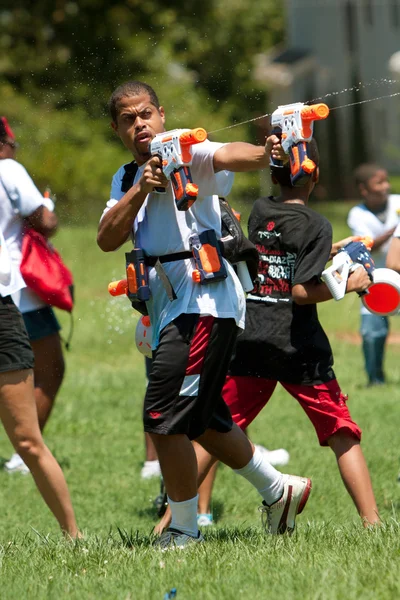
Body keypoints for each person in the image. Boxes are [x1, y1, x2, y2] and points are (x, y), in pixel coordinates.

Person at [98, 80, 312, 549]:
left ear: (161, 113)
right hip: (165, 305)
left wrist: (266, 151)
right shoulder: (123, 177)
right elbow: (106, 238)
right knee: (203, 419)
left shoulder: (186, 151)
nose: (141, 125)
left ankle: (182, 528)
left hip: (203, 301)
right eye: (129, 119)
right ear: (116, 128)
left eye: (147, 114)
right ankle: (280, 490)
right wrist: (140, 188)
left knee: (162, 414)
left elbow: (230, 154)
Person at [155, 137, 380, 535]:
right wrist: (351, 280)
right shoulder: (318, 224)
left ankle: (174, 523)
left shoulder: (261, 211)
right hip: (298, 346)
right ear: (315, 178)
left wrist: (331, 252)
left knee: (215, 430)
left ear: (274, 174)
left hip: (251, 339)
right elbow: (299, 289)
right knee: (341, 430)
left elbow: (278, 259)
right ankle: (372, 523)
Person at [0, 223, 79, 537]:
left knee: (28, 442)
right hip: (14, 308)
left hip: (4, 310)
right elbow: (46, 219)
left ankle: (73, 536)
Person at [0, 116, 67, 474]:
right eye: (12, 144)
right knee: (48, 368)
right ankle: (23, 452)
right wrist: (48, 206)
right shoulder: (8, 169)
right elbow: (44, 221)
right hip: (17, 291)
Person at [347, 164, 400, 386]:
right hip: (376, 281)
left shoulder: (397, 202)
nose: (385, 186)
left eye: (386, 181)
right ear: (364, 189)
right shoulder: (357, 214)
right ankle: (375, 379)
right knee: (372, 334)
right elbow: (370, 246)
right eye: (378, 182)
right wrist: (396, 230)